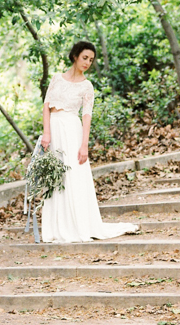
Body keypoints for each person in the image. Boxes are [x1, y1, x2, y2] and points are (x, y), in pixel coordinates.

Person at [40, 40, 139, 243]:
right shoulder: (57, 78)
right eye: (85, 57)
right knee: (56, 176)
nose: (87, 62)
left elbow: (87, 116)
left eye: (91, 60)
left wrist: (84, 145)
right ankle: (56, 226)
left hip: (73, 131)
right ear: (75, 56)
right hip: (55, 130)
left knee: (74, 176)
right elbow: (46, 106)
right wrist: (46, 134)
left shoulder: (87, 86)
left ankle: (78, 225)